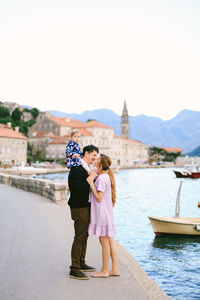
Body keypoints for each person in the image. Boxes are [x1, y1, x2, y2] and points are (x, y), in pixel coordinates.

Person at [68, 144, 99, 280]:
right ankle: (74, 269)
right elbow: (76, 189)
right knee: (79, 237)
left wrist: (93, 178)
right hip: (79, 207)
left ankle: (81, 263)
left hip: (85, 206)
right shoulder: (76, 168)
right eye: (93, 155)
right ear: (86, 154)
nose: (94, 158)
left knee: (84, 236)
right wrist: (91, 179)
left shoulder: (86, 168)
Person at [87, 155, 120, 278]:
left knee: (104, 241)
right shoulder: (106, 176)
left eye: (97, 161)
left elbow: (99, 197)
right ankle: (114, 268)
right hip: (107, 213)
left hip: (101, 214)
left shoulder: (101, 179)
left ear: (101, 165)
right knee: (109, 240)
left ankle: (104, 270)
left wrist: (91, 183)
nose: (95, 161)